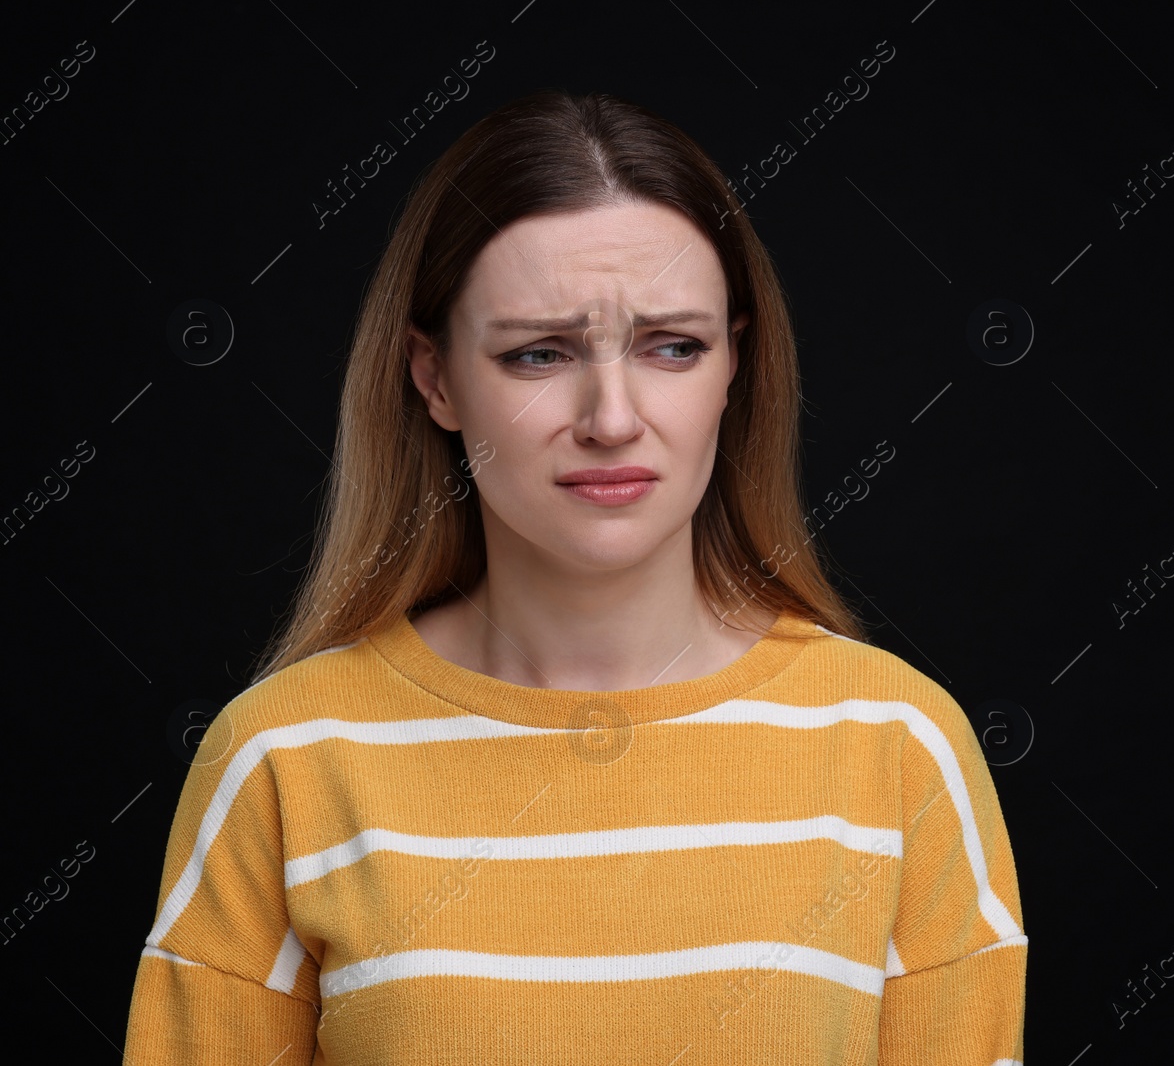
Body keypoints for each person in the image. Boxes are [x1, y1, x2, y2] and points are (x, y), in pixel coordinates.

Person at [121, 89, 1026, 1064]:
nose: (610, 416)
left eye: (671, 346)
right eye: (538, 353)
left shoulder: (899, 750)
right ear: (433, 378)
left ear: (735, 364)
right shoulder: (280, 760)